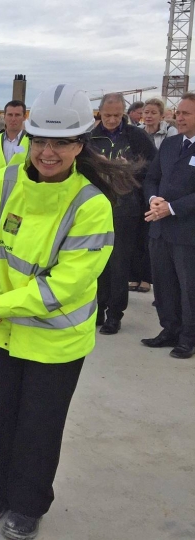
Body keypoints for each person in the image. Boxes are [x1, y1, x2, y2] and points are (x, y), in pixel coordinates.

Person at [0, 83, 135, 540]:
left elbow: (65, 286)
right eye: (40, 140)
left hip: (54, 340)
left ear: (81, 144)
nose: (48, 152)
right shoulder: (9, 178)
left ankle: (28, 504)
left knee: (39, 427)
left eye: (61, 142)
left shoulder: (91, 205)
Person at [89, 93, 156, 335]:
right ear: (100, 113)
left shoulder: (137, 137)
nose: (112, 119)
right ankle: (97, 307)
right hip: (95, 208)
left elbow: (153, 169)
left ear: (123, 114)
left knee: (118, 263)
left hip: (126, 209)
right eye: (107, 115)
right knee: (96, 261)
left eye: (117, 115)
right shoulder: (90, 138)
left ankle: (114, 314)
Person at [142, 92, 195, 359]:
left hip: (187, 232)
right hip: (159, 229)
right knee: (163, 284)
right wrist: (153, 199)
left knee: (189, 289)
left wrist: (172, 208)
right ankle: (169, 329)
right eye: (179, 112)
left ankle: (188, 337)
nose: (179, 117)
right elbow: (152, 177)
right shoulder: (171, 144)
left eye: (186, 113)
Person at [134, 98, 178, 293]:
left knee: (151, 235)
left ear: (161, 115)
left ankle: (146, 278)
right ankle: (134, 275)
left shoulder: (170, 134)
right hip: (139, 185)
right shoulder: (137, 132)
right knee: (137, 232)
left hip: (160, 189)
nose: (149, 116)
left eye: (153, 112)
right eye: (146, 112)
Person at [0, 100, 30, 176]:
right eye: (10, 115)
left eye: (17, 115)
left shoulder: (32, 141)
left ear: (24, 117)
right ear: (4, 116)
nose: (13, 119)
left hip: (22, 187)